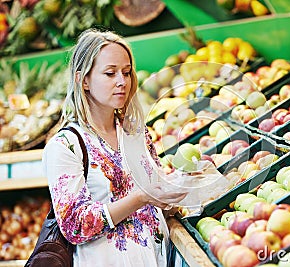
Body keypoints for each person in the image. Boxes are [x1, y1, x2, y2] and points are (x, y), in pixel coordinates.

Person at [42, 28, 187, 267]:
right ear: (83, 80)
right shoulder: (65, 146)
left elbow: (157, 192)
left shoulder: (135, 134)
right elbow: (74, 225)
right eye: (110, 73)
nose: (122, 81)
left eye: (127, 72)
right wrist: (141, 198)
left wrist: (182, 188)